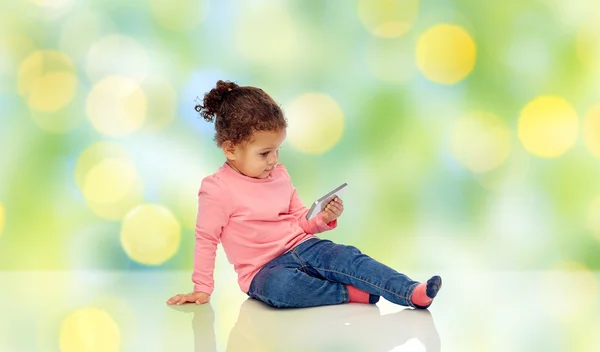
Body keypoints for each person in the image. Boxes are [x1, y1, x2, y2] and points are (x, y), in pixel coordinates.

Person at [167, 80, 442, 309]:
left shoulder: (279, 175)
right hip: (263, 271)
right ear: (230, 149)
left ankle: (411, 291)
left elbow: (301, 220)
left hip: (304, 246)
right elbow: (206, 239)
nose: (274, 160)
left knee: (348, 257)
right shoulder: (216, 189)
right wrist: (202, 288)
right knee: (281, 289)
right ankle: (348, 294)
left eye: (277, 150)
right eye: (264, 153)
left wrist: (321, 218)